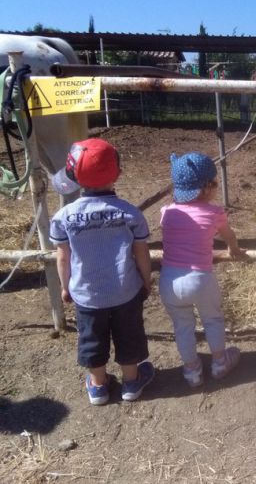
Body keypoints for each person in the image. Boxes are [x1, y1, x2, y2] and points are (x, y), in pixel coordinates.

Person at [49, 138, 155, 405]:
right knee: (128, 333)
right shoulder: (130, 213)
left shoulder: (64, 217)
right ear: (116, 174)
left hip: (87, 294)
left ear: (74, 178)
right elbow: (141, 252)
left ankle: (98, 386)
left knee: (92, 337)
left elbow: (63, 257)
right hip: (125, 290)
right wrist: (146, 280)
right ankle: (131, 382)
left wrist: (65, 286)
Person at [159, 152, 247, 387]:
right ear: (207, 188)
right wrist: (233, 249)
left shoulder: (166, 212)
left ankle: (192, 372)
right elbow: (229, 236)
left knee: (182, 326)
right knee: (213, 319)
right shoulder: (214, 213)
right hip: (200, 278)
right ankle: (219, 363)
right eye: (215, 183)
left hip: (169, 280)